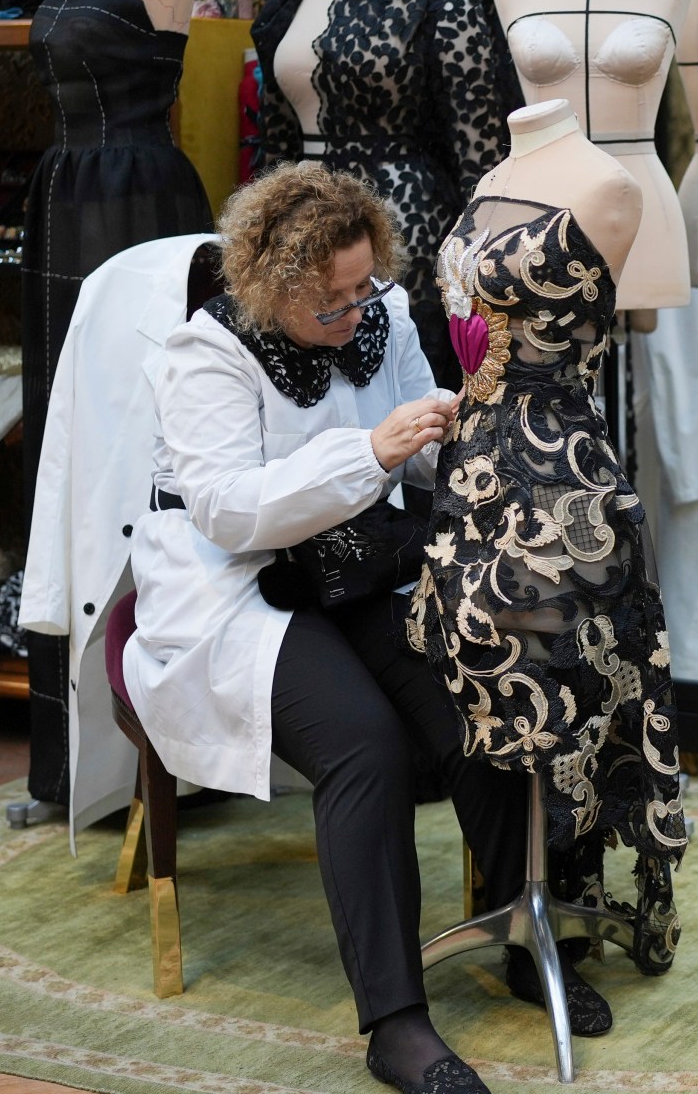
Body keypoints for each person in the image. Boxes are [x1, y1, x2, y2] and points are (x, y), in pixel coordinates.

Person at [123, 164, 519, 1094]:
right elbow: (224, 511)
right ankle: (396, 1023)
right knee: (364, 746)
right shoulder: (207, 352)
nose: (354, 310)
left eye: (362, 286)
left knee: (477, 692)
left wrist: (462, 435)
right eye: (332, 299)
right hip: (237, 587)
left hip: (355, 564)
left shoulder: (380, 318)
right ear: (275, 284)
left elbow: (416, 464)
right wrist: (370, 450)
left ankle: (516, 930)